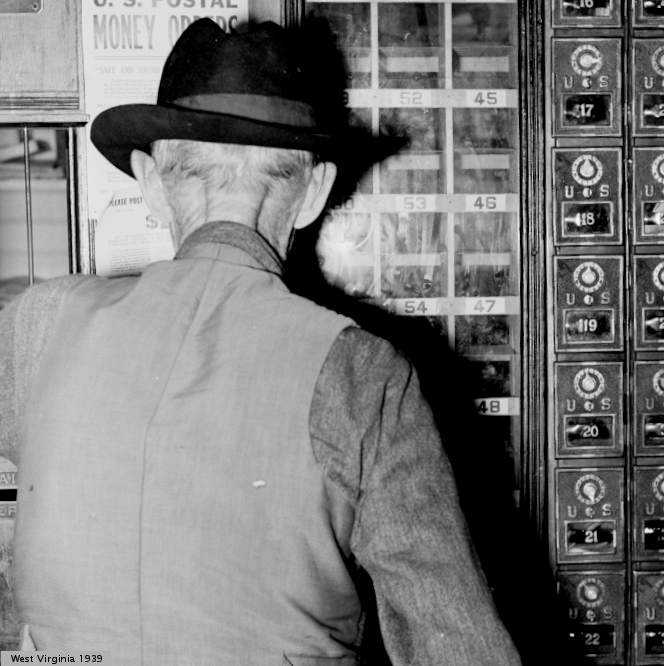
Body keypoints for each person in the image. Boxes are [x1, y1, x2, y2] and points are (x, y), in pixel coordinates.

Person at [0, 18, 522, 665]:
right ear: (314, 192)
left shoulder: (39, 323)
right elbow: (461, 648)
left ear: (151, 182)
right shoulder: (362, 371)